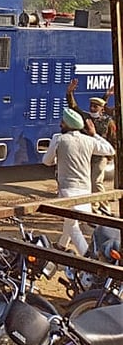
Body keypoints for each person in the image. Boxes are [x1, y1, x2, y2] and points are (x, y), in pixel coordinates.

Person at [43, 108, 116, 255]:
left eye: (62, 122)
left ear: (68, 125)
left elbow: (46, 161)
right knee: (70, 221)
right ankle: (61, 245)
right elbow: (110, 150)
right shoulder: (88, 140)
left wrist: (57, 157)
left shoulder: (58, 138)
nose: (60, 124)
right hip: (85, 190)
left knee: (73, 226)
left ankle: (86, 256)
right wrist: (94, 134)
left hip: (67, 190)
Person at [66, 78, 117, 192]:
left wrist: (110, 157)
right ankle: (94, 205)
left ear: (101, 109)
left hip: (100, 156)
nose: (92, 108)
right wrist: (69, 93)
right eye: (91, 106)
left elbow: (113, 139)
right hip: (87, 154)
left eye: (95, 107)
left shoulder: (108, 122)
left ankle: (103, 208)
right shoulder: (86, 117)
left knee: (96, 183)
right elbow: (73, 106)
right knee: (86, 181)